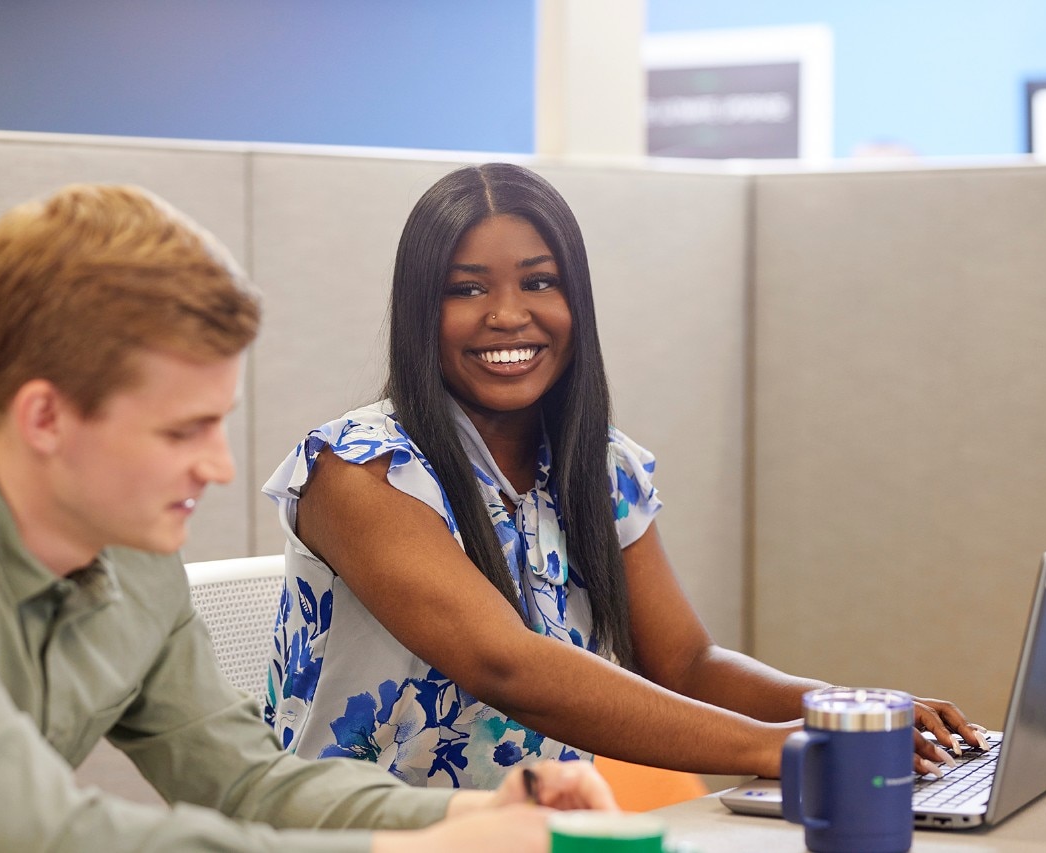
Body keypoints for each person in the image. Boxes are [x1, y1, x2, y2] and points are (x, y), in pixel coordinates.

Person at [0, 183, 615, 852]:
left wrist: (469, 817)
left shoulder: (130, 557)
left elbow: (250, 782)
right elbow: (30, 836)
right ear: (44, 418)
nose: (219, 467)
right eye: (183, 430)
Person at [262, 163, 989, 790]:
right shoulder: (359, 467)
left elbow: (686, 661)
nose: (509, 314)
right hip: (360, 835)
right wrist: (779, 747)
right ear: (421, 310)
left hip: (530, 831)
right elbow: (505, 664)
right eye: (467, 289)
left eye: (540, 281)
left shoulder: (596, 464)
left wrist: (855, 711)